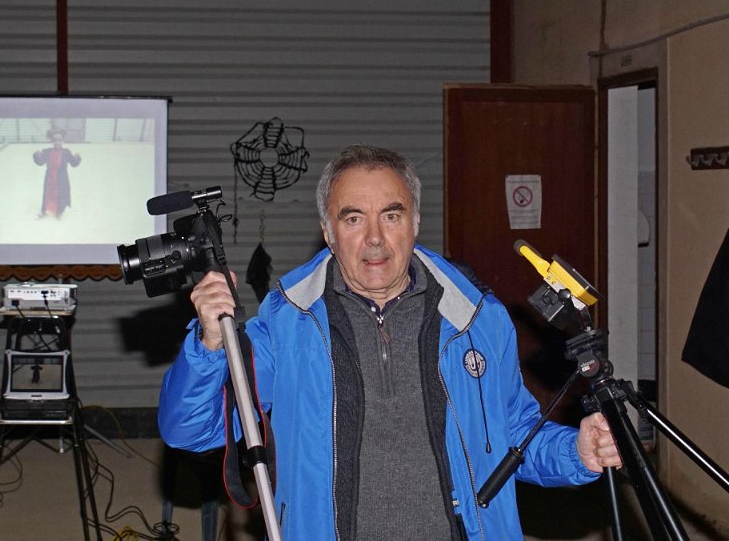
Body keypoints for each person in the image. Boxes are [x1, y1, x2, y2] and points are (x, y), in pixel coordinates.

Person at [158, 144, 622, 541]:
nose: (375, 239)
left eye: (391, 215)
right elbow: (192, 430)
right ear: (328, 232)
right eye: (353, 218)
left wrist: (576, 452)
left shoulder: (477, 319)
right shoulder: (286, 325)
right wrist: (209, 344)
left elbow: (513, 434)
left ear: (414, 222)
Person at [32, 127, 81, 218]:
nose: (57, 142)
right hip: (50, 177)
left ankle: (60, 211)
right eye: (55, 140)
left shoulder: (66, 152)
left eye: (60, 140)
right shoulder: (47, 152)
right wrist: (36, 156)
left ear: (63, 141)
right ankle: (44, 210)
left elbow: (73, 164)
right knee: (48, 193)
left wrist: (77, 158)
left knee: (61, 194)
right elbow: (40, 162)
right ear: (51, 141)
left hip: (62, 177)